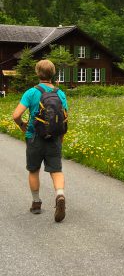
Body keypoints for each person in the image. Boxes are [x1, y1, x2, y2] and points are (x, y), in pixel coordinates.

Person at [12, 59, 68, 222]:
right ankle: (60, 195)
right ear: (53, 73)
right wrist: (60, 138)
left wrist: (22, 126)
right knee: (56, 170)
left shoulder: (31, 92)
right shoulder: (60, 93)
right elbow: (63, 118)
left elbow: (16, 115)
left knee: (34, 170)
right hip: (55, 138)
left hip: (34, 137)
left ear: (37, 73)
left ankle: (36, 203)